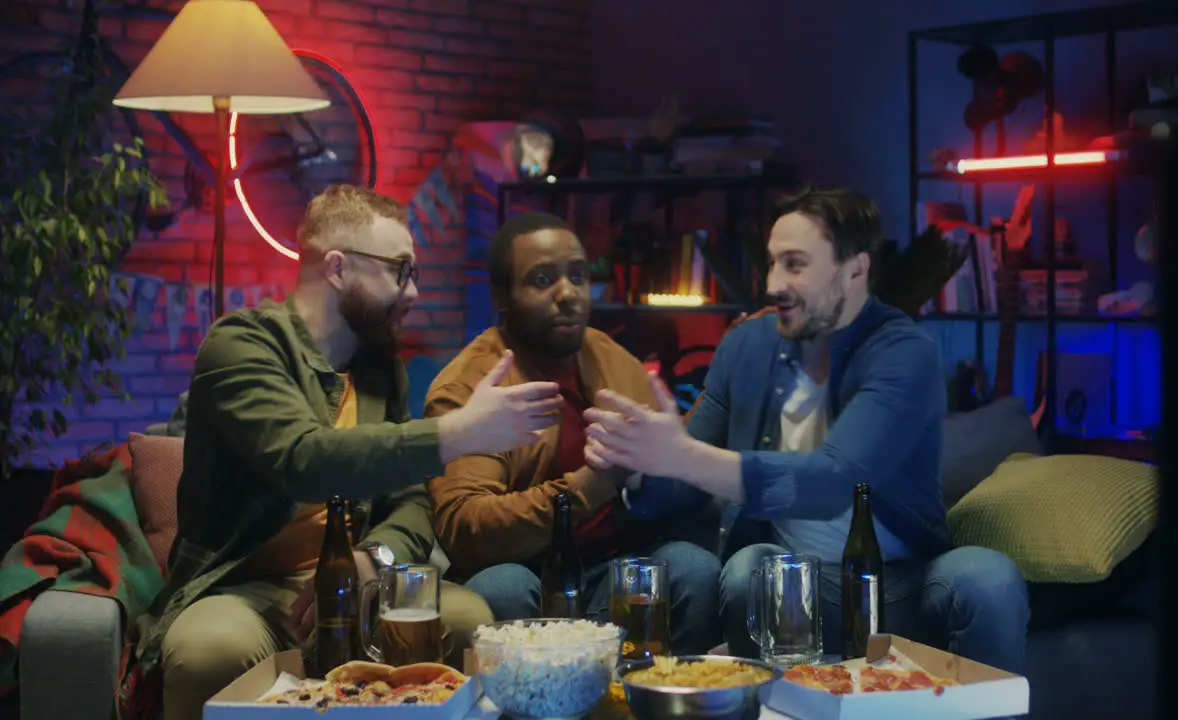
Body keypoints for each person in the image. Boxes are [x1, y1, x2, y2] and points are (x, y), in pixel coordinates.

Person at [131, 186, 565, 720]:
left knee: (468, 616)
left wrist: (371, 559)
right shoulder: (241, 345)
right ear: (336, 268)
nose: (412, 294)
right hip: (248, 587)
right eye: (400, 270)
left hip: (359, 588)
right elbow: (303, 460)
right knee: (208, 652)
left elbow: (411, 501)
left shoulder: (379, 368)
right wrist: (456, 434)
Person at [582, 187, 1030, 673]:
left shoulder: (903, 353)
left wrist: (682, 456)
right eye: (773, 264)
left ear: (855, 269)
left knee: (990, 578)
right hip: (799, 580)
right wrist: (638, 466)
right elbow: (688, 478)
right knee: (749, 567)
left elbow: (834, 481)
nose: (774, 283)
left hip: (904, 582)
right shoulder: (747, 345)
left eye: (795, 265)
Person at [423, 211, 721, 654]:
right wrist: (589, 487)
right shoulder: (469, 384)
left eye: (578, 277)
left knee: (692, 569)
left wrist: (656, 468)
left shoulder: (612, 359)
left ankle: (656, 700)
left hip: (609, 571)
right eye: (542, 280)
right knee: (502, 587)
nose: (568, 294)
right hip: (528, 577)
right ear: (503, 296)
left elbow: (683, 489)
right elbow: (465, 529)